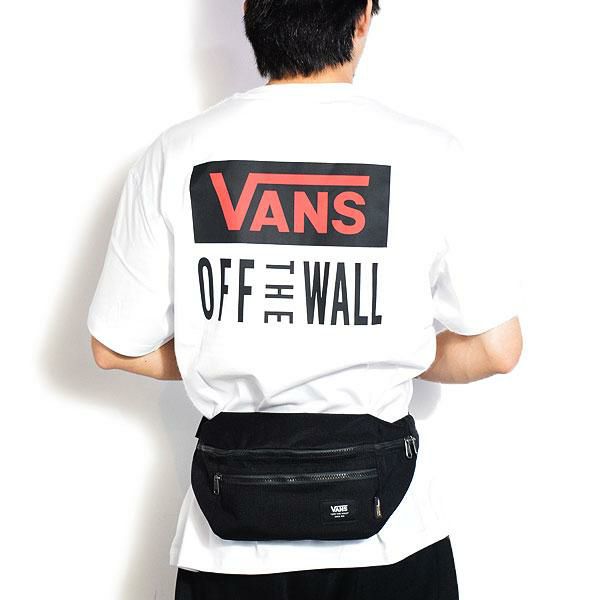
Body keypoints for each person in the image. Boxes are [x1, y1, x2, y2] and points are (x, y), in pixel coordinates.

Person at [87, 0, 523, 598]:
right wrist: (385, 348)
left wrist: (225, 349)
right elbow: (498, 349)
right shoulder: (433, 153)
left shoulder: (176, 152)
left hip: (229, 549)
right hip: (391, 535)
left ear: (252, 11)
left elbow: (113, 347)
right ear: (362, 17)